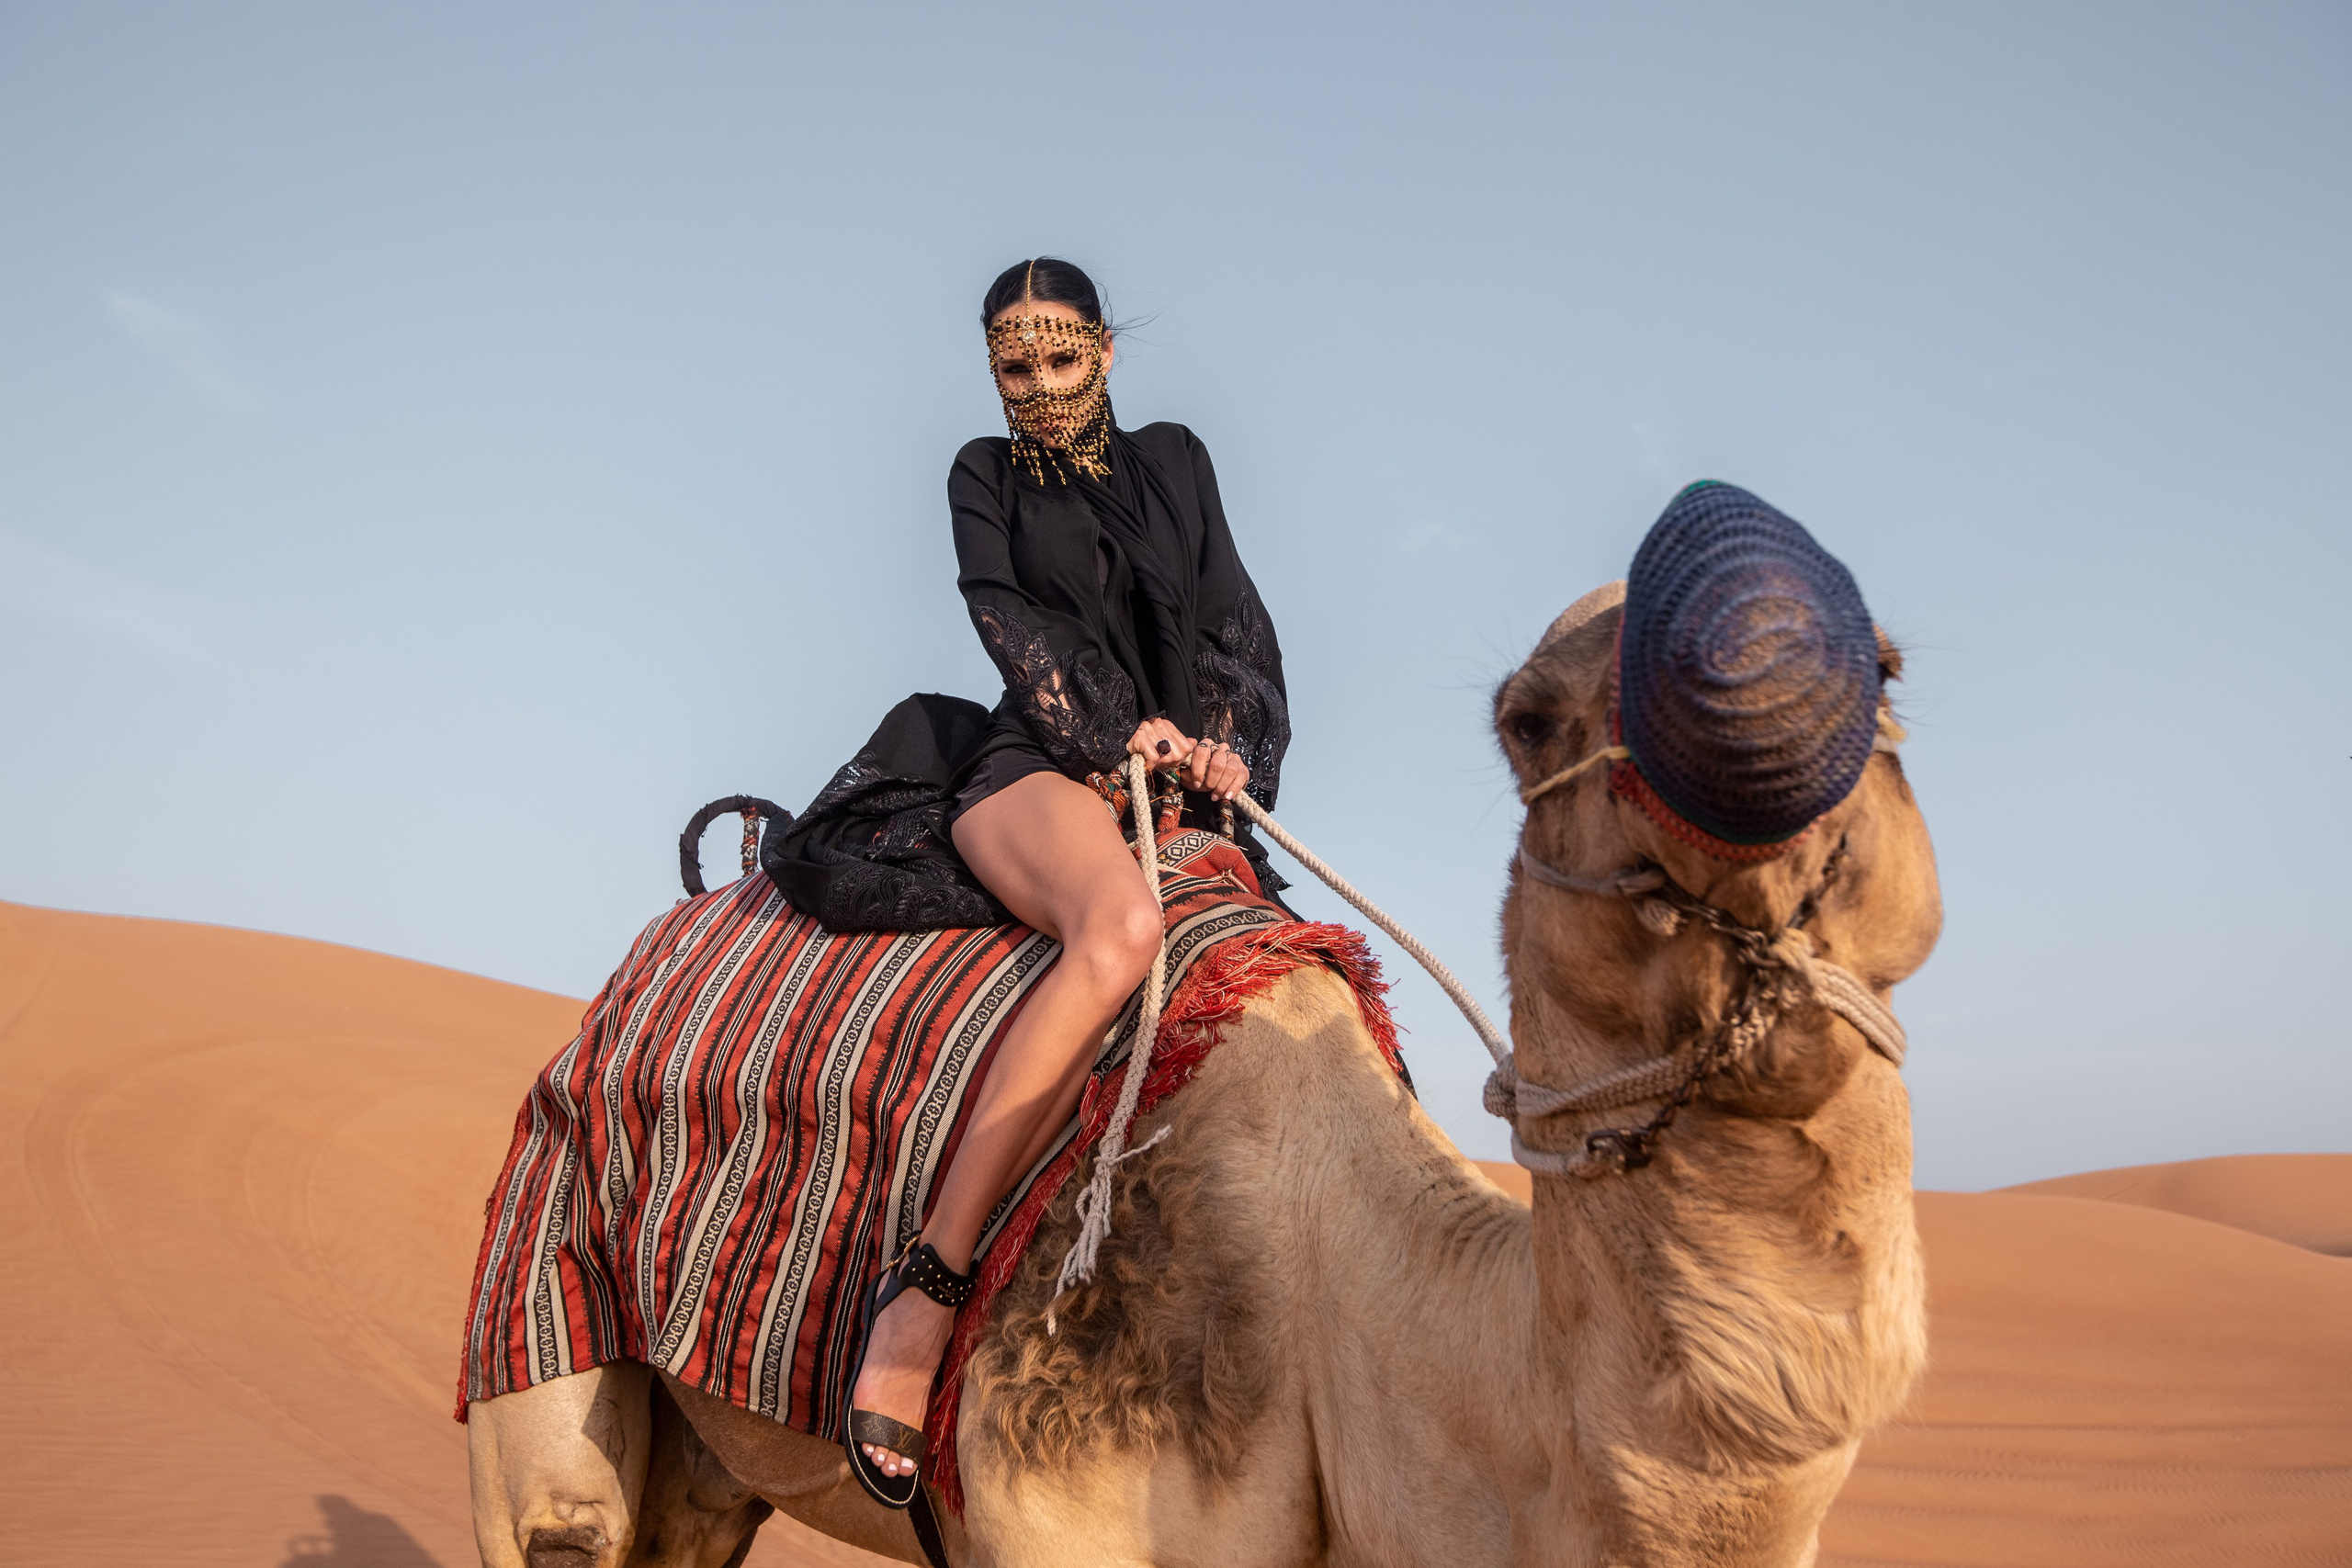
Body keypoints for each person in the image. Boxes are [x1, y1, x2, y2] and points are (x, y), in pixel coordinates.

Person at [841, 257, 1291, 1507]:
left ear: (1104, 348)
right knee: (1122, 928)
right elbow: (1008, 620)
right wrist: (1109, 735)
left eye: (1059, 359)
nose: (1036, 387)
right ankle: (919, 1304)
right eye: (1012, 368)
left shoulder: (1180, 459)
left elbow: (1233, 621)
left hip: (1171, 777)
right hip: (1033, 763)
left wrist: (1224, 736)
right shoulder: (982, 477)